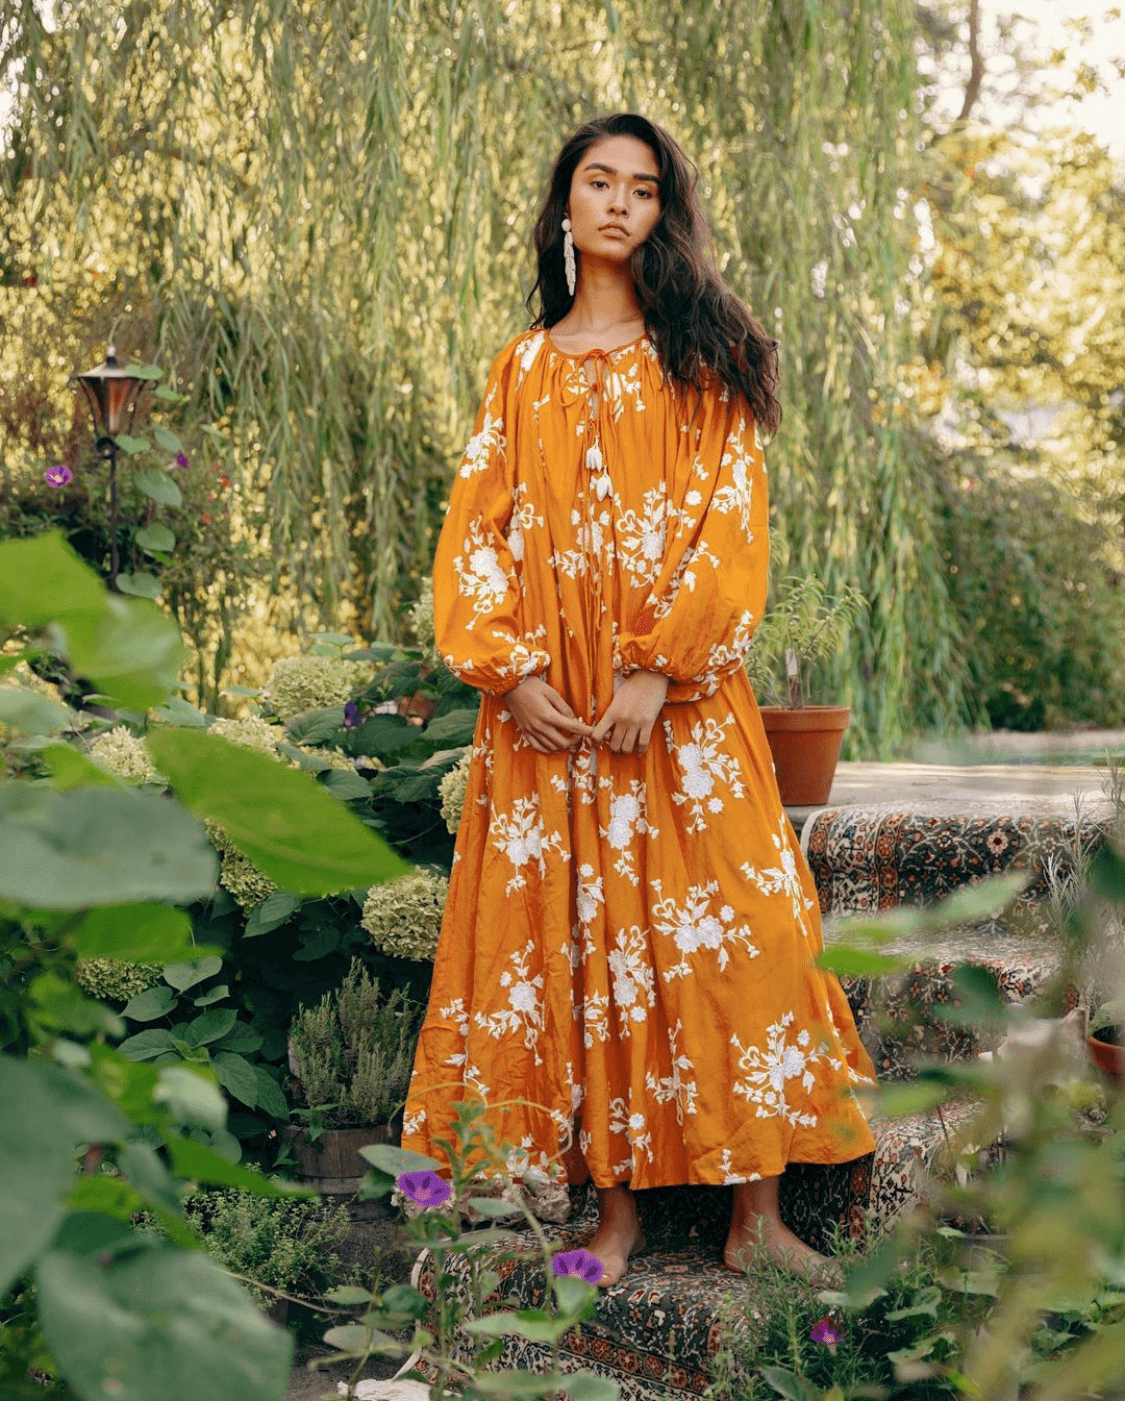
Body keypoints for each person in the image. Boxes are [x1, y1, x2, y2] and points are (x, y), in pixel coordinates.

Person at [400, 112, 876, 1289]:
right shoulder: (520, 369)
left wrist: (663, 664)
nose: (618, 203)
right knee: (587, 951)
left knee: (745, 938)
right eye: (597, 182)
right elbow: (475, 535)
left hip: (685, 700)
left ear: (665, 213)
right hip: (549, 715)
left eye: (644, 189)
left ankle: (755, 1220)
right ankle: (612, 1218)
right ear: (564, 207)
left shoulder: (699, 351)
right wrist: (508, 673)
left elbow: (731, 519)